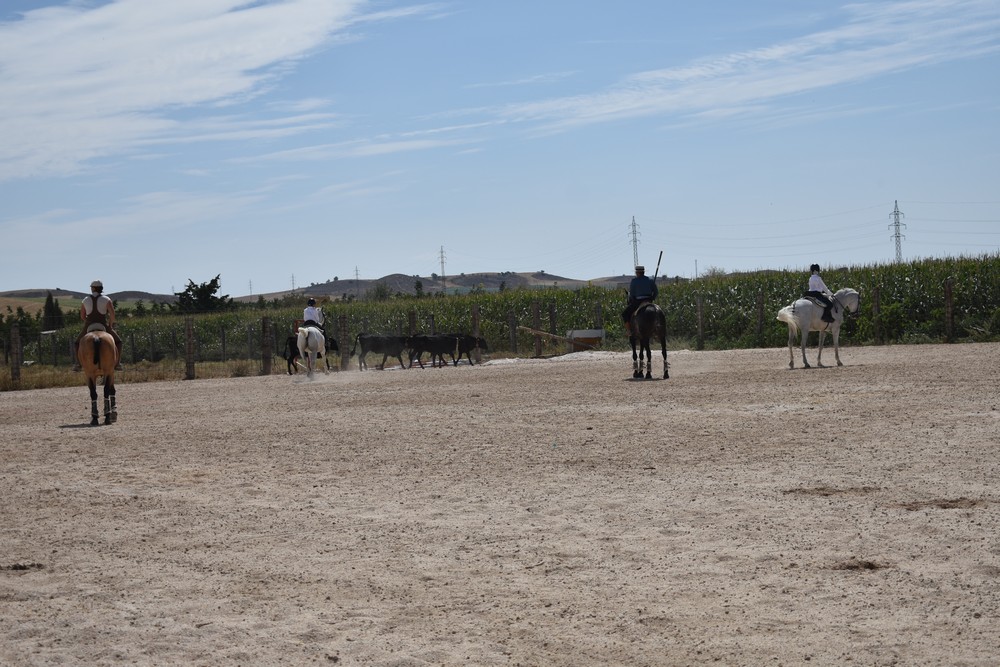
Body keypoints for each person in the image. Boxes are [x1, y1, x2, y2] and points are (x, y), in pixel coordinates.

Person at [72, 280, 123, 371]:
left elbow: (82, 316)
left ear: (93, 288)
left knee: (77, 343)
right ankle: (118, 363)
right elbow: (112, 315)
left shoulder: (85, 300)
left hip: (89, 325)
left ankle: (78, 364)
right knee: (118, 342)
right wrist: (110, 324)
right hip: (103, 324)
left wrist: (88, 322)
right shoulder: (106, 299)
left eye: (91, 288)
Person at [621, 265, 659, 336]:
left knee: (624, 314)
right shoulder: (650, 280)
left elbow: (632, 294)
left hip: (638, 301)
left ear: (637, 273)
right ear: (643, 272)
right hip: (648, 300)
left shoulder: (634, 281)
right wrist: (652, 298)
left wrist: (633, 300)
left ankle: (629, 331)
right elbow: (656, 292)